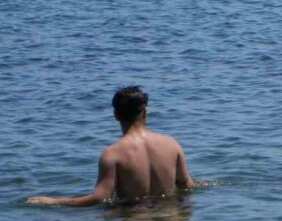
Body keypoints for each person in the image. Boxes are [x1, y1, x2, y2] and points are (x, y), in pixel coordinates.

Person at [26, 86, 195, 206]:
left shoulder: (113, 154)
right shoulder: (172, 144)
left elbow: (100, 198)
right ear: (145, 112)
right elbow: (187, 185)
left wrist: (54, 201)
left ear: (116, 115)